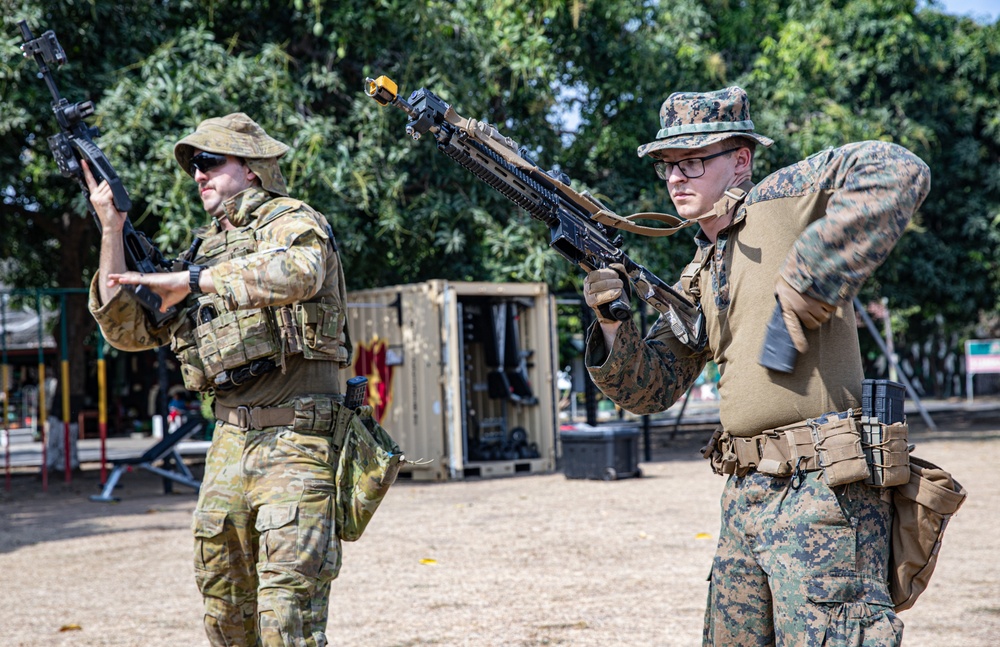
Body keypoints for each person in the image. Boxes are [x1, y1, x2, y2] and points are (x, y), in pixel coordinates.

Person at [583, 87, 930, 645]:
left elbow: (899, 168)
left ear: (740, 160)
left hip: (824, 492)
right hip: (745, 495)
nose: (676, 178)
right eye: (668, 166)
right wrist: (609, 321)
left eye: (692, 161)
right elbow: (652, 388)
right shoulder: (699, 269)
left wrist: (809, 279)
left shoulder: (780, 199)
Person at [84, 113, 352, 647]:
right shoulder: (203, 248)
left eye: (209, 162)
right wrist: (111, 230)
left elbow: (300, 272)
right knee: (226, 617)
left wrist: (192, 280)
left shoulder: (292, 221)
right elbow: (128, 330)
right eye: (194, 167)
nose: (199, 175)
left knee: (286, 622)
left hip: (298, 440)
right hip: (228, 444)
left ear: (251, 170)